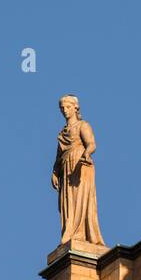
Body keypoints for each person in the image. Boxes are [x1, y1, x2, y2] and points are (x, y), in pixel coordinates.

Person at [51, 95, 103, 245]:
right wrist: (54, 172)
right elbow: (58, 156)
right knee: (67, 202)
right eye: (62, 108)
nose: (65, 111)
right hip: (66, 168)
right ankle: (69, 230)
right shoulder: (62, 133)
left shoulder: (82, 125)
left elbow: (91, 144)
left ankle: (79, 233)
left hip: (80, 165)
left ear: (75, 108)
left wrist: (86, 154)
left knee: (79, 199)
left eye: (68, 107)